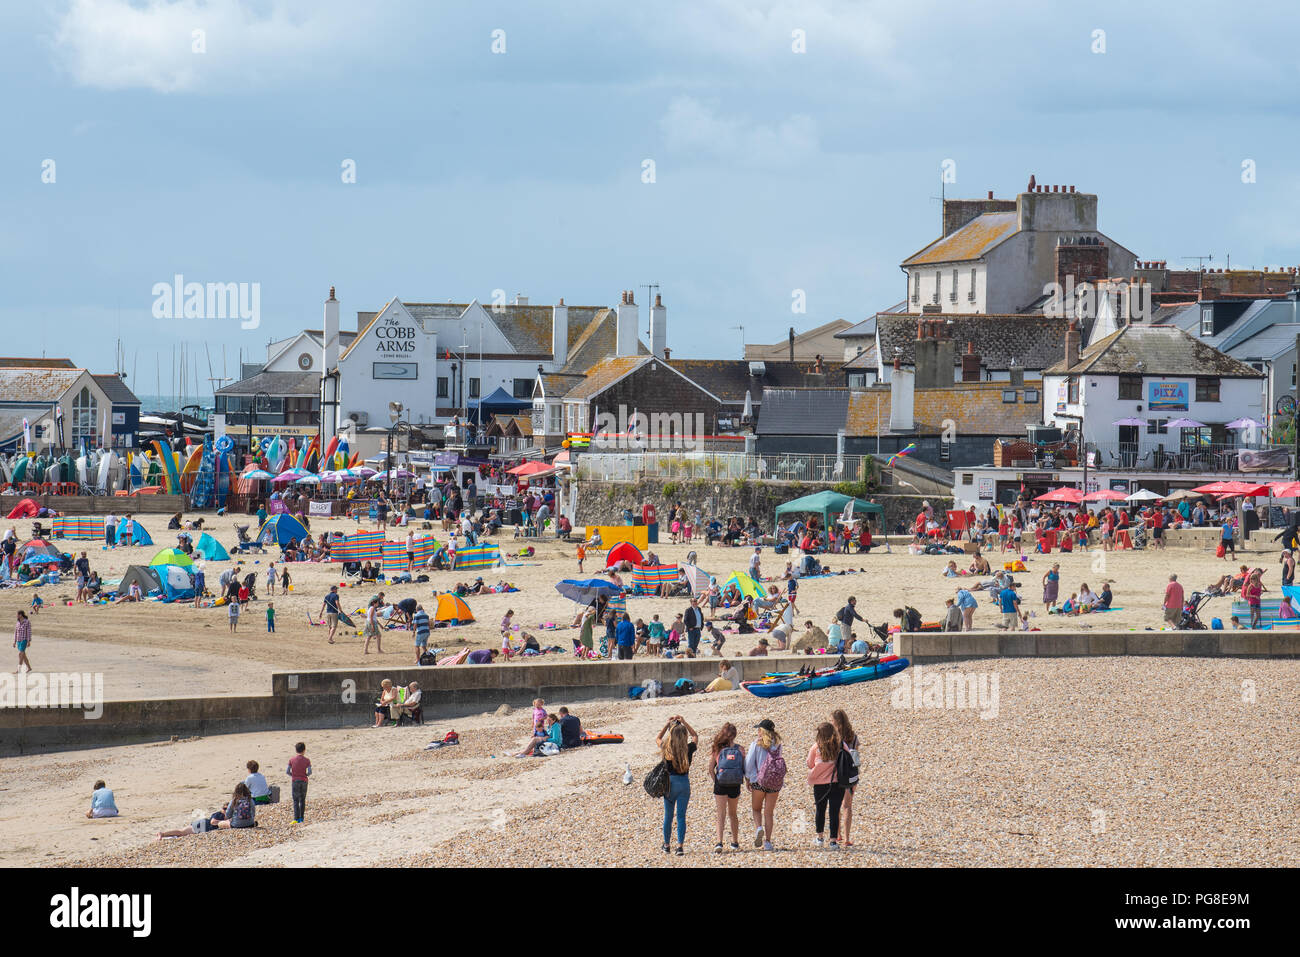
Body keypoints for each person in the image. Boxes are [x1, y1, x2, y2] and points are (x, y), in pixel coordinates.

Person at [655, 715, 699, 855]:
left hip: (670, 784)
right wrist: (684, 721)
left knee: (668, 816)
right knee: (681, 816)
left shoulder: (667, 749)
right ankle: (680, 846)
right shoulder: (688, 749)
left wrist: (666, 725)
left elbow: (657, 738)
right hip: (684, 783)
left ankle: (667, 845)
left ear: (671, 734)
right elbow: (695, 735)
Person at [746, 719, 784, 852]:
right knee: (769, 813)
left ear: (762, 731)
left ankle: (759, 828)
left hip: (759, 781)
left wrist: (749, 779)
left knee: (756, 809)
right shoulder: (778, 745)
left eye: (759, 729)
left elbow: (749, 763)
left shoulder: (756, 744)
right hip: (774, 782)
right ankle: (768, 842)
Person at [807, 722, 845, 848]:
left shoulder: (816, 747)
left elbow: (809, 763)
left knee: (820, 809)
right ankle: (833, 840)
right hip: (837, 782)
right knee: (834, 811)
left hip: (819, 783)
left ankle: (820, 837)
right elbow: (848, 759)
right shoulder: (840, 745)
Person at [709, 722, 745, 853]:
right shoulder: (740, 749)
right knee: (733, 813)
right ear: (734, 735)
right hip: (735, 784)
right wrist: (747, 781)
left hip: (721, 785)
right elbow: (744, 768)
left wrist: (716, 781)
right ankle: (735, 842)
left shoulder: (717, 749)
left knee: (721, 814)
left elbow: (710, 769)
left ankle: (719, 842)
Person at [830, 709, 859, 846]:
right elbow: (857, 757)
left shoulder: (833, 738)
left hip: (836, 773)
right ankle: (847, 838)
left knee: (836, 805)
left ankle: (838, 834)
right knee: (847, 805)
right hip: (851, 774)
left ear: (835, 722)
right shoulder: (853, 737)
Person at [286, 742, 311, 824]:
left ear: (296, 750)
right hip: (304, 781)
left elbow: (287, 771)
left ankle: (295, 818)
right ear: (304, 750)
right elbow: (309, 772)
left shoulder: (292, 760)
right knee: (302, 799)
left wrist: (293, 775)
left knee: (295, 800)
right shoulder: (307, 760)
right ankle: (301, 818)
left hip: (295, 781)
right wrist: (305, 775)